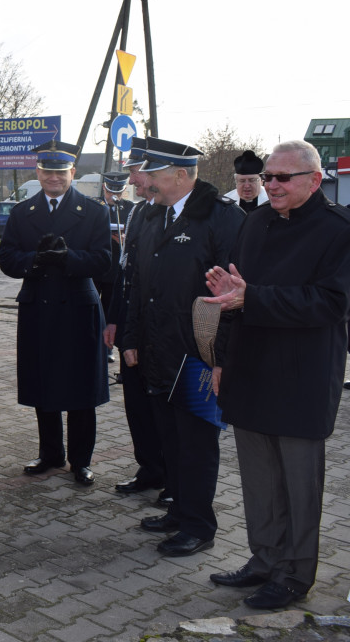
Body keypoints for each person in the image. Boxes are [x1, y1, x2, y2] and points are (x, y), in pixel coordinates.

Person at [204, 140, 350, 609]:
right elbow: (236, 298)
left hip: (301, 378)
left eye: (282, 178)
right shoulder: (256, 223)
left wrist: (253, 299)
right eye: (267, 177)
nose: (271, 185)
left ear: (315, 178)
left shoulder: (339, 231)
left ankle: (294, 575)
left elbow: (331, 302)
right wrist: (220, 359)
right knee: (259, 480)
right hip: (248, 369)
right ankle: (264, 560)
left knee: (298, 485)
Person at [120, 137, 244, 557]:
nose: (144, 182)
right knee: (169, 438)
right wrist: (131, 338)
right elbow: (139, 284)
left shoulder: (221, 218)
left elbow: (232, 298)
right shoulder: (154, 215)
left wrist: (221, 360)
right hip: (158, 348)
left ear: (181, 174)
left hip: (197, 355)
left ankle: (198, 525)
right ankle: (178, 509)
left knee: (195, 444)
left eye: (150, 174)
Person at [0, 139, 112, 486]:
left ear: (72, 173)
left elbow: (104, 261)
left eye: (61, 172)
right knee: (43, 383)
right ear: (39, 172)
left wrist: (68, 259)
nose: (54, 178)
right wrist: (35, 261)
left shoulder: (94, 212)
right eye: (48, 172)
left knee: (80, 389)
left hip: (77, 310)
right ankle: (51, 454)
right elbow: (7, 259)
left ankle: (81, 461)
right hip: (39, 308)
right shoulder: (22, 213)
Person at [104, 138, 167, 501]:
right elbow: (125, 275)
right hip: (131, 325)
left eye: (135, 172)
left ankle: (173, 480)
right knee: (137, 406)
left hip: (160, 330)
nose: (132, 180)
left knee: (163, 411)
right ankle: (150, 469)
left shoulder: (177, 214)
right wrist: (114, 320)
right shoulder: (139, 212)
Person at [95, 171, 134, 363]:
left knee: (111, 308)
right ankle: (92, 342)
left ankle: (107, 346)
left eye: (118, 191)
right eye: (110, 191)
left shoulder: (130, 208)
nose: (114, 195)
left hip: (116, 269)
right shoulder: (94, 206)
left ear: (125, 189)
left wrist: (125, 240)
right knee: (94, 308)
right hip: (96, 267)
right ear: (104, 187)